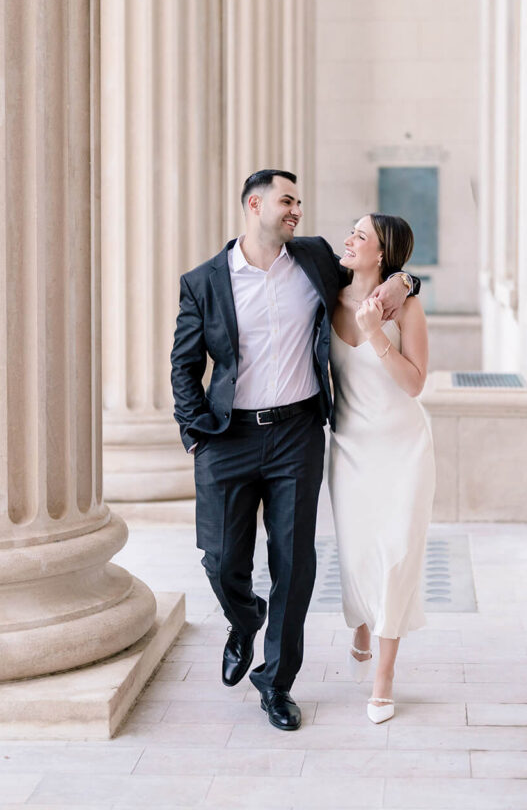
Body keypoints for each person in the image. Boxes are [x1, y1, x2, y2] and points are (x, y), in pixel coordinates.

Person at [170, 170, 417, 731]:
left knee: (294, 562)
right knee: (220, 559)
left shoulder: (314, 260)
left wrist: (406, 281)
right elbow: (184, 365)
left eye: (299, 202)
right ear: (254, 205)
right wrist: (195, 432)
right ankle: (244, 618)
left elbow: (382, 269)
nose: (296, 210)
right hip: (226, 438)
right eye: (286, 201)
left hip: (296, 434)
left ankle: (276, 683)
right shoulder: (203, 281)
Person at [328, 213, 436, 724]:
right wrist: (404, 277)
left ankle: (384, 681)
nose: (349, 239)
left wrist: (376, 334)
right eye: (351, 231)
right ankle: (361, 625)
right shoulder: (326, 295)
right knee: (356, 556)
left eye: (361, 235)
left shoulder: (406, 307)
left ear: (382, 253)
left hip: (403, 450)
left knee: (395, 557)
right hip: (349, 449)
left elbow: (414, 384)